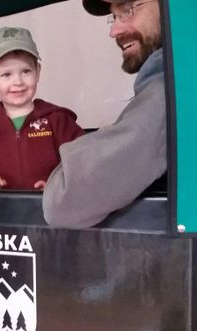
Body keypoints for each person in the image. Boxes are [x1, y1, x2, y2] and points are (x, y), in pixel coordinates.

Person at [42, 0, 166, 228]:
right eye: (114, 16)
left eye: (127, 10)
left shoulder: (171, 93)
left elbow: (63, 201)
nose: (114, 31)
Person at [0, 26, 83, 190]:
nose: (18, 82)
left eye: (26, 71)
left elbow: (83, 163)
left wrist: (57, 186)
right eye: (6, 74)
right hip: (3, 207)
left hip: (53, 206)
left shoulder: (59, 122)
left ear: (38, 72)